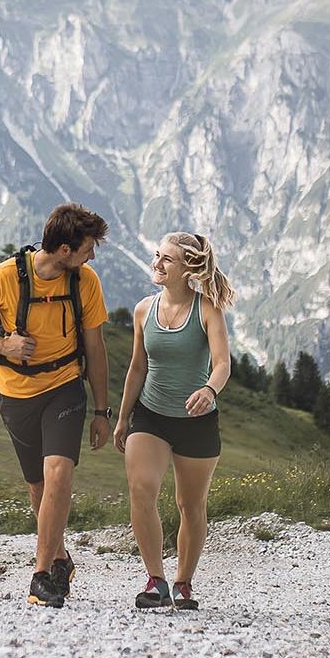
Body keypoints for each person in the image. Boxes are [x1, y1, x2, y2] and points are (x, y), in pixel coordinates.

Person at [0, 203, 113, 608]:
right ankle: (59, 557)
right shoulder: (5, 277)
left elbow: (95, 347)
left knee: (58, 475)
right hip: (16, 394)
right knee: (38, 488)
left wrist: (102, 411)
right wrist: (1, 344)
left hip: (65, 388)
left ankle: (40, 577)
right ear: (64, 250)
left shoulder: (85, 282)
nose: (93, 256)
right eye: (89, 247)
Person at [115, 231, 235, 610]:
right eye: (157, 255)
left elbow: (222, 364)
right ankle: (156, 580)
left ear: (187, 269)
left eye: (166, 259)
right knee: (141, 490)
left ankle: (184, 582)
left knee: (190, 504)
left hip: (195, 421)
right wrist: (122, 419)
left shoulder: (207, 310)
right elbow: (137, 368)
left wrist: (210, 391)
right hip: (149, 415)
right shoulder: (142, 310)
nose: (157, 263)